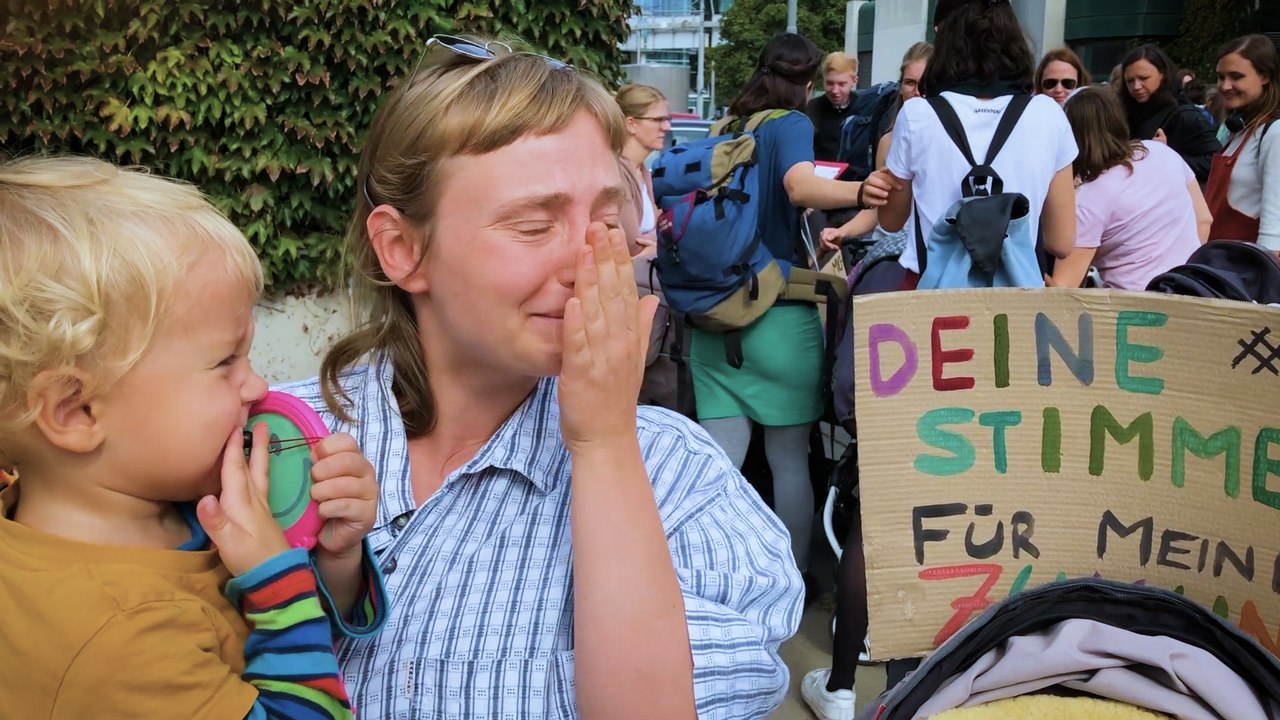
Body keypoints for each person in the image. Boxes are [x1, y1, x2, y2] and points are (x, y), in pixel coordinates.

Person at [275, 36, 806, 719]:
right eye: (532, 226)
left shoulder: (677, 478)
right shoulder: (273, 444)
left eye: (609, 221)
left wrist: (605, 444)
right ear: (404, 249)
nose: (590, 263)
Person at [0, 156, 387, 718]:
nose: (257, 385)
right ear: (77, 411)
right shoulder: (119, 638)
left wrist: (332, 556)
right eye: (226, 360)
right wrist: (278, 583)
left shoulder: (165, 504)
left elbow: (288, 644)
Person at [690, 32, 890, 591]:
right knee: (788, 463)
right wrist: (861, 194)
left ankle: (717, 577)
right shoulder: (792, 123)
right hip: (775, 316)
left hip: (711, 320)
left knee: (721, 467)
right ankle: (791, 580)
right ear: (806, 84)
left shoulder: (721, 129)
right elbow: (799, 186)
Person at [873, 0, 1077, 281]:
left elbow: (891, 221)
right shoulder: (1047, 114)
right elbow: (1062, 242)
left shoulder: (918, 114)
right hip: (1016, 292)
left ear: (943, 40)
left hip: (932, 292)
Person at [1050, 88, 1210, 290]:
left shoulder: (1088, 197)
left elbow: (1063, 288)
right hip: (1190, 291)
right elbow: (1204, 220)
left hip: (1130, 310)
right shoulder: (1162, 152)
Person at [820, 42, 934, 251]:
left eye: (926, 83)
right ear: (900, 87)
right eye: (910, 82)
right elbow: (878, 208)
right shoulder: (888, 141)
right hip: (889, 253)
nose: (917, 91)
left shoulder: (953, 140)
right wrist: (842, 232)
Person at [615, 83, 678, 409]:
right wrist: (658, 245)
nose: (666, 127)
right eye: (658, 119)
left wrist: (654, 245)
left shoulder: (643, 171)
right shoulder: (617, 173)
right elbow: (626, 247)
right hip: (627, 306)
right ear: (631, 123)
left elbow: (649, 240)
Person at [1206, 34, 1280, 250]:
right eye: (1221, 77)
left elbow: (1274, 229)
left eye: (1236, 76)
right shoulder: (1240, 129)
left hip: (1246, 272)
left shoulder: (1274, 132)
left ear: (1264, 76)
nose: (1225, 85)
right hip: (1222, 263)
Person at [1118, 44, 1221, 184]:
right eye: (1130, 81)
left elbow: (1215, 162)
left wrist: (1168, 155)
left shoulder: (1184, 115)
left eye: (1144, 78)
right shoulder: (1122, 114)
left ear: (1163, 75)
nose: (1136, 86)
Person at [807, 51, 861, 161]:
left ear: (854, 81)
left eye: (841, 84)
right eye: (830, 83)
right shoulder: (811, 109)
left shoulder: (864, 107)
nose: (835, 90)